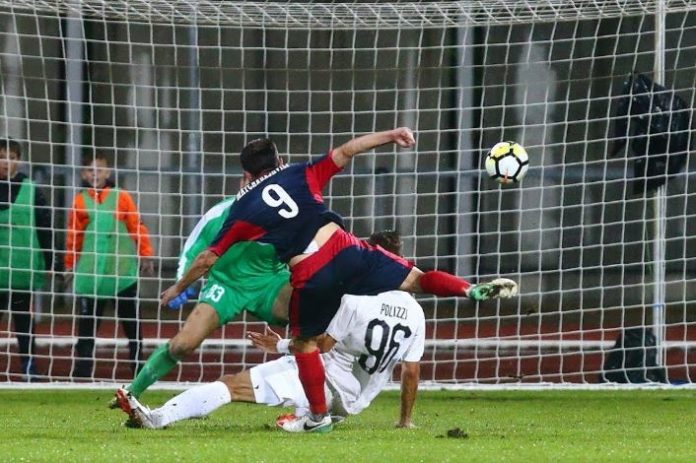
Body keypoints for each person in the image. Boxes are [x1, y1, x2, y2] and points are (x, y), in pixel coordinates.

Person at [160, 127, 517, 433]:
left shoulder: (242, 209)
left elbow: (207, 258)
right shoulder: (300, 173)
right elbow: (348, 150)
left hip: (311, 273)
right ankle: (468, 288)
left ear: (247, 174)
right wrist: (392, 135)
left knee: (305, 344)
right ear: (280, 160)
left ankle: (318, 417)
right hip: (346, 250)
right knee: (417, 280)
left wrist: (179, 287)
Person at [118, 230, 424, 431]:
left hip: (322, 379)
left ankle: (157, 418)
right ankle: (309, 418)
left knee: (230, 385)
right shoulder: (415, 313)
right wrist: (405, 421)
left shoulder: (355, 298)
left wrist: (279, 345)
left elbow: (321, 345)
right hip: (351, 401)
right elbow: (411, 372)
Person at [114, 193, 291, 402]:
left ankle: (312, 397)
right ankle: (131, 393)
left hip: (270, 281)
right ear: (245, 179)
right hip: (225, 285)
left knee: (310, 313)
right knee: (182, 344)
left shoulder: (286, 208)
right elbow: (192, 251)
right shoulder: (218, 214)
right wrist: (181, 282)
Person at [65, 151, 155, 378]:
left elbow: (136, 226)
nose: (95, 174)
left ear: (108, 172)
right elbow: (74, 235)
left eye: (99, 169)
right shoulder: (79, 201)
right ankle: (83, 370)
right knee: (87, 326)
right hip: (92, 275)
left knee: (132, 324)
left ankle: (138, 367)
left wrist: (146, 254)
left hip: (121, 272)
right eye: (90, 170)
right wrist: (69, 263)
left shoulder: (121, 197)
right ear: (83, 174)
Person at [0, 138, 53, 381]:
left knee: (23, 322)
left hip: (22, 269)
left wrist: (51, 260)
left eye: (11, 157)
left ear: (18, 160)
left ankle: (29, 367)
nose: (6, 162)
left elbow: (45, 226)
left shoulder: (31, 189)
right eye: (2, 157)